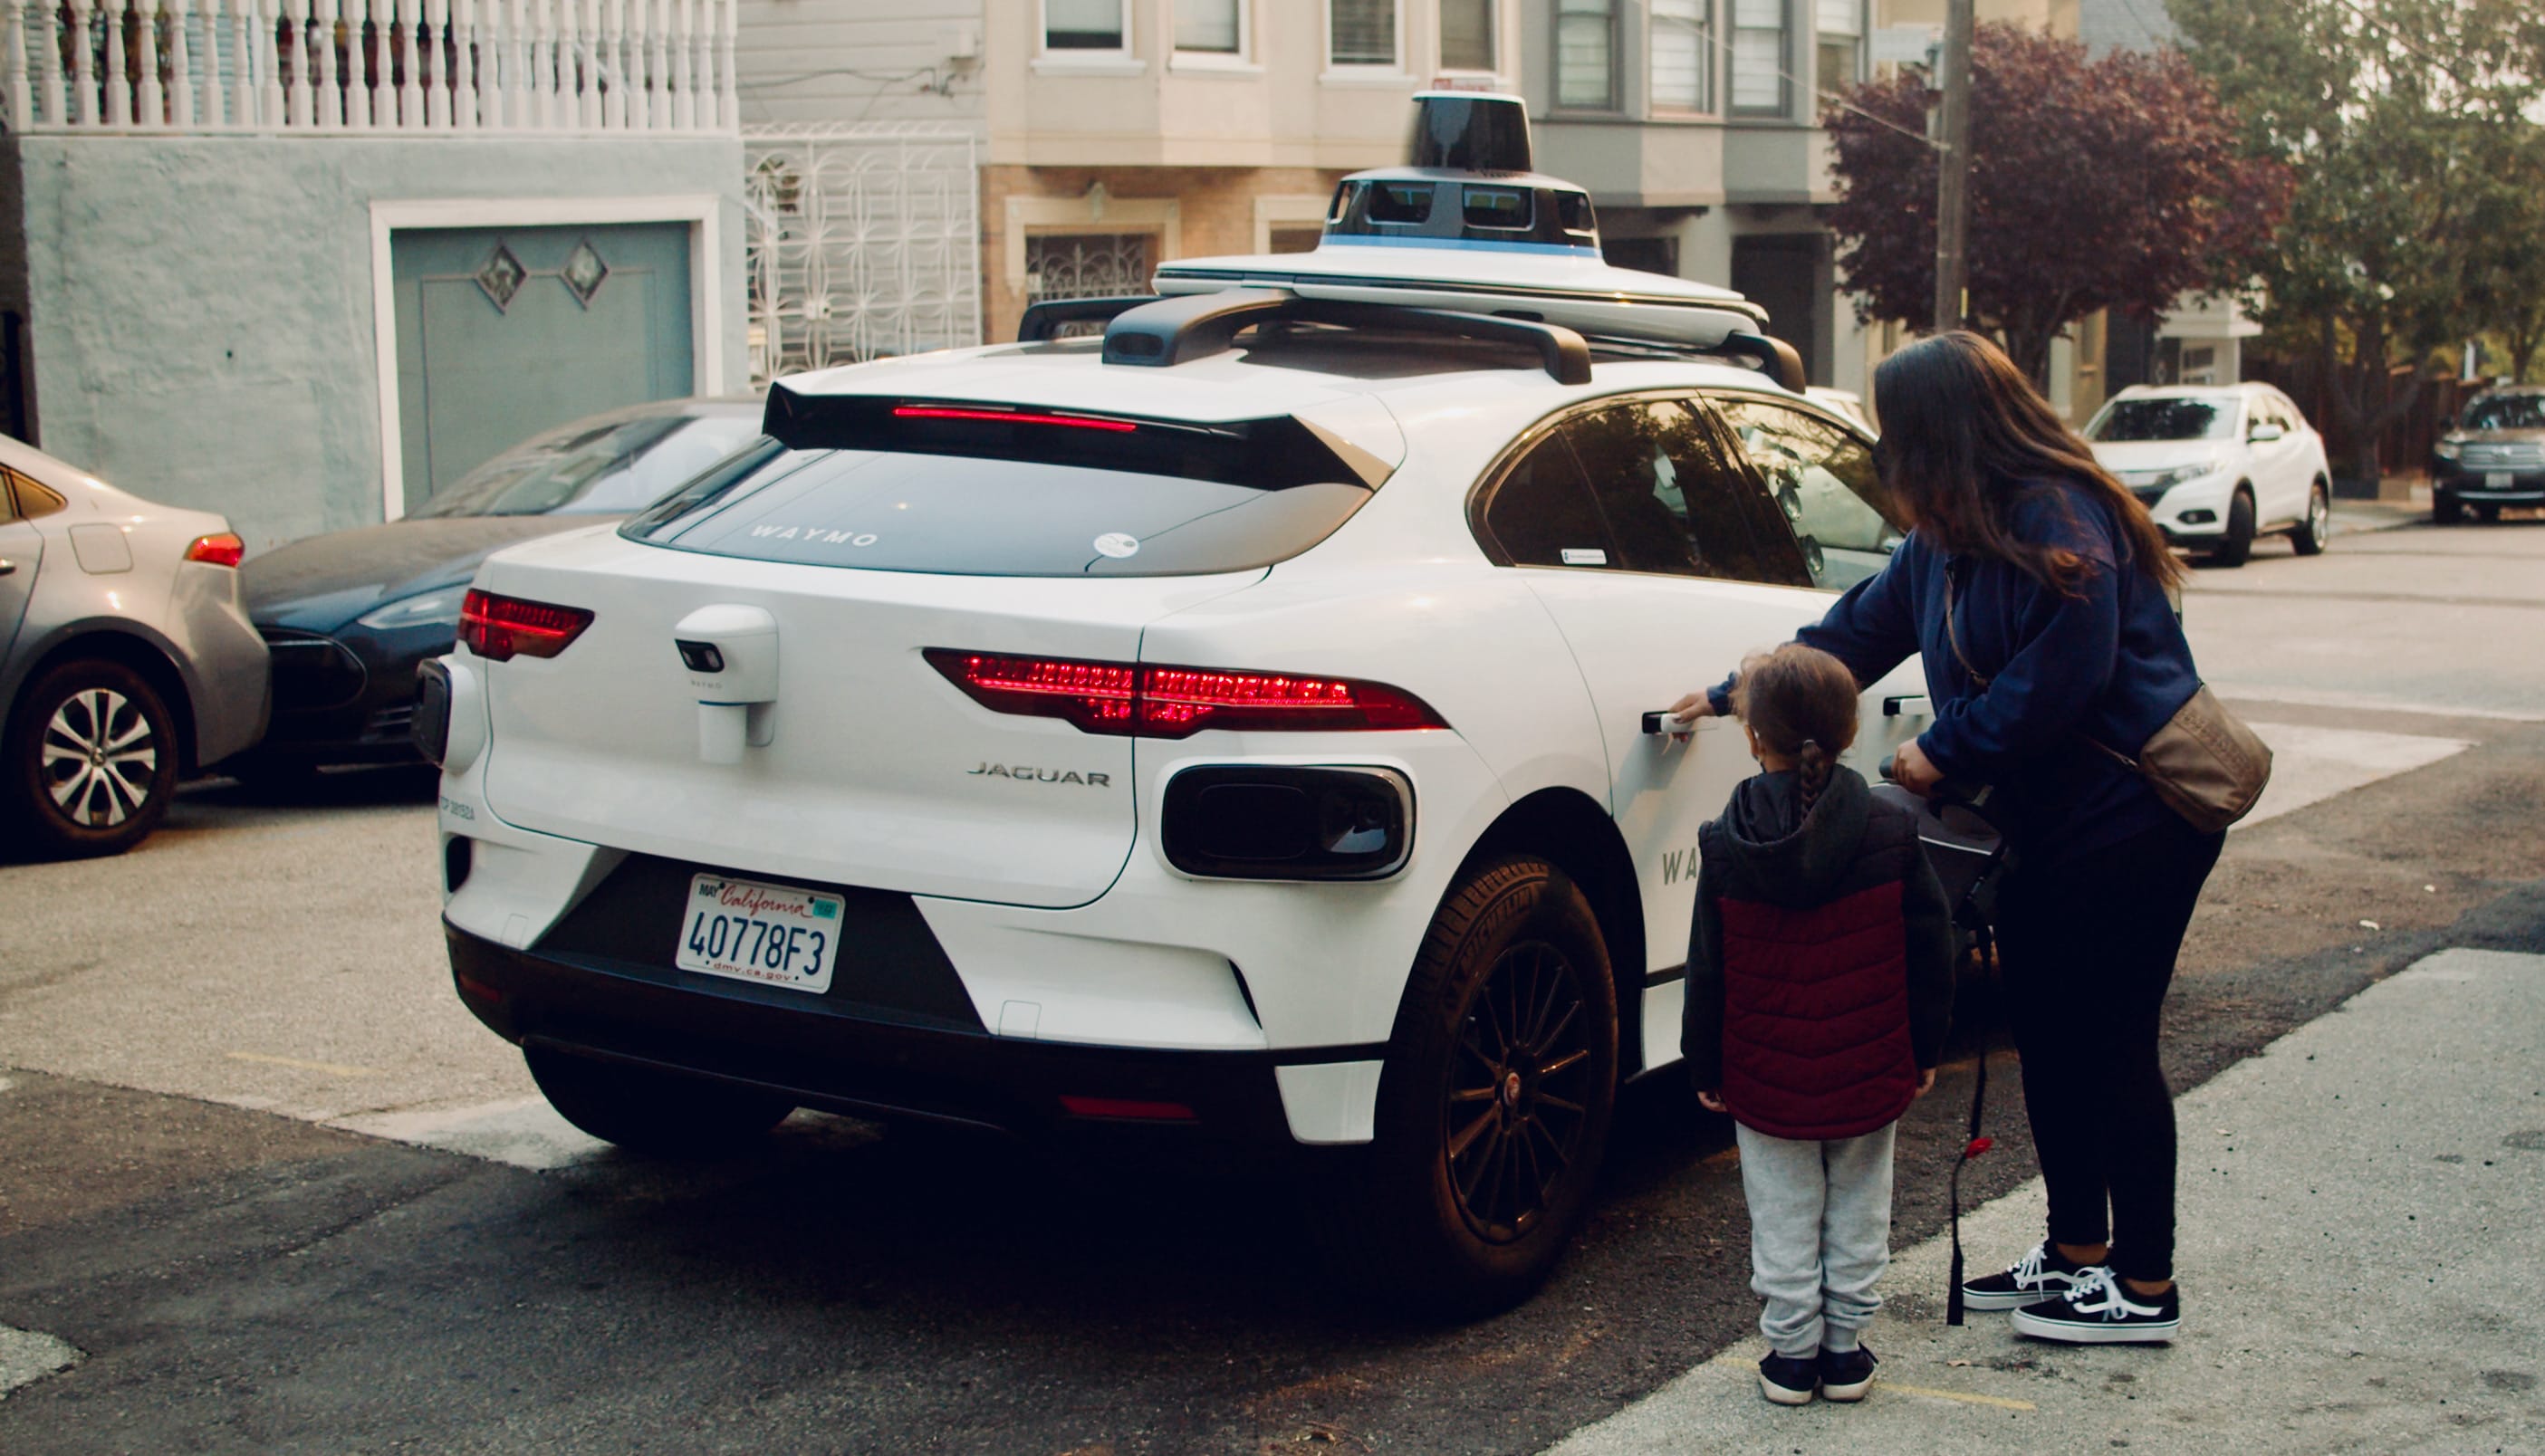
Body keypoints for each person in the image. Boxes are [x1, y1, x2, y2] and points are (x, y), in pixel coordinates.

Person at [1671, 330, 2224, 1346]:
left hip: (2135, 818)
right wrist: (1728, 692)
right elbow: (1849, 637)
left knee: (2108, 1044)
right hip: (2054, 823)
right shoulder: (1945, 542)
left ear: (1938, 433)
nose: (1884, 455)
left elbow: (2069, 670)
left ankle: (2144, 1286)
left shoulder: (2058, 517)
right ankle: (2075, 1256)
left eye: (1893, 433)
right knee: (2051, 1038)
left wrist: (1943, 750)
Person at [1683, 642, 1956, 1405]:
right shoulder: (1889, 830)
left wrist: (1705, 1065)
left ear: (1751, 737)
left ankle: (1792, 1356)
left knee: (1783, 1210)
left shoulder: (1726, 842)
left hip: (1764, 1071)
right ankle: (1845, 1351)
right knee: (1860, 1205)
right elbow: (1930, 948)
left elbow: (1709, 966)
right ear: (1848, 731)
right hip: (1869, 1062)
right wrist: (1922, 1048)